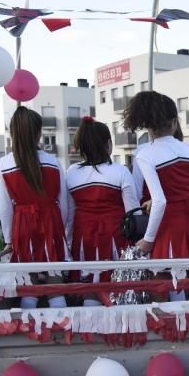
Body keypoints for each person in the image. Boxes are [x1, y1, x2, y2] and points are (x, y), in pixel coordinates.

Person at [0, 107, 70, 310]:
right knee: (55, 281)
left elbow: (5, 208)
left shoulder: (3, 163)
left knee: (29, 284)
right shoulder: (53, 161)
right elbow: (63, 204)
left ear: (13, 133)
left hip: (22, 225)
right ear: (38, 133)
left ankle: (32, 333)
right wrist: (59, 228)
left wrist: (9, 239)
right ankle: (64, 330)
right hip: (51, 221)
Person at [127, 91, 189, 260]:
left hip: (168, 224)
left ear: (149, 127)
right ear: (174, 122)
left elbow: (160, 201)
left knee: (165, 280)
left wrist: (148, 240)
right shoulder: (188, 150)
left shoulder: (145, 154)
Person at [65, 117, 139, 301]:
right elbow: (133, 212)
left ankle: (89, 327)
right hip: (115, 235)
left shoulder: (71, 172)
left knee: (89, 285)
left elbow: (69, 213)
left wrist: (68, 242)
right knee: (116, 286)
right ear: (108, 144)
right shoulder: (120, 171)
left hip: (83, 235)